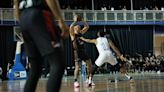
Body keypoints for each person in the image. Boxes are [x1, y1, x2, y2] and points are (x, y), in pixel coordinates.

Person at [14, 0, 69, 92]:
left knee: (35, 68)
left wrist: (21, 19)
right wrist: (61, 20)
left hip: (23, 17)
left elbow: (16, 1)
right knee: (57, 63)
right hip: (39, 14)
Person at [69, 15, 93, 87]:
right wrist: (75, 21)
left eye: (79, 27)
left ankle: (89, 79)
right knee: (77, 67)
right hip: (77, 52)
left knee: (90, 64)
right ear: (74, 29)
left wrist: (82, 20)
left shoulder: (80, 33)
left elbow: (87, 26)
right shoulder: (72, 35)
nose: (78, 27)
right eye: (77, 27)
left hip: (83, 51)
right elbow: (70, 27)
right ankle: (75, 81)